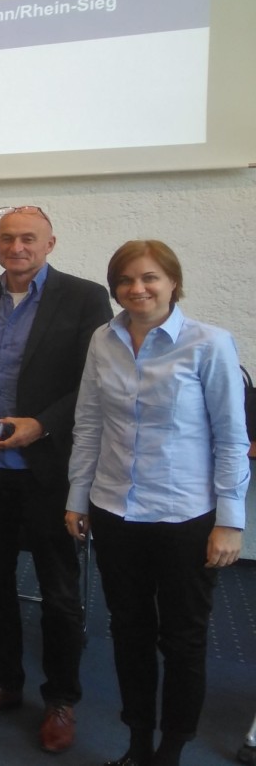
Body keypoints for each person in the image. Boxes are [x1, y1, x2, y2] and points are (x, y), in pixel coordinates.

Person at [66, 240, 250, 766]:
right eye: (125, 280)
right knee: (128, 633)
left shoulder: (209, 343)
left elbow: (231, 438)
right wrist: (77, 497)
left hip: (184, 517)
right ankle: (137, 742)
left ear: (173, 282)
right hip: (114, 511)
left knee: (183, 639)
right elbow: (89, 423)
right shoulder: (103, 340)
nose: (137, 288)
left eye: (149, 277)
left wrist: (231, 521)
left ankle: (171, 748)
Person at [0, 206, 112, 754]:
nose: (16, 247)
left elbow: (93, 381)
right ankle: (2, 682)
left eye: (28, 238)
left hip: (50, 471)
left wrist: (42, 424)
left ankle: (61, 699)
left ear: (50, 243)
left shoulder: (85, 297)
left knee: (59, 592)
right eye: (7, 238)